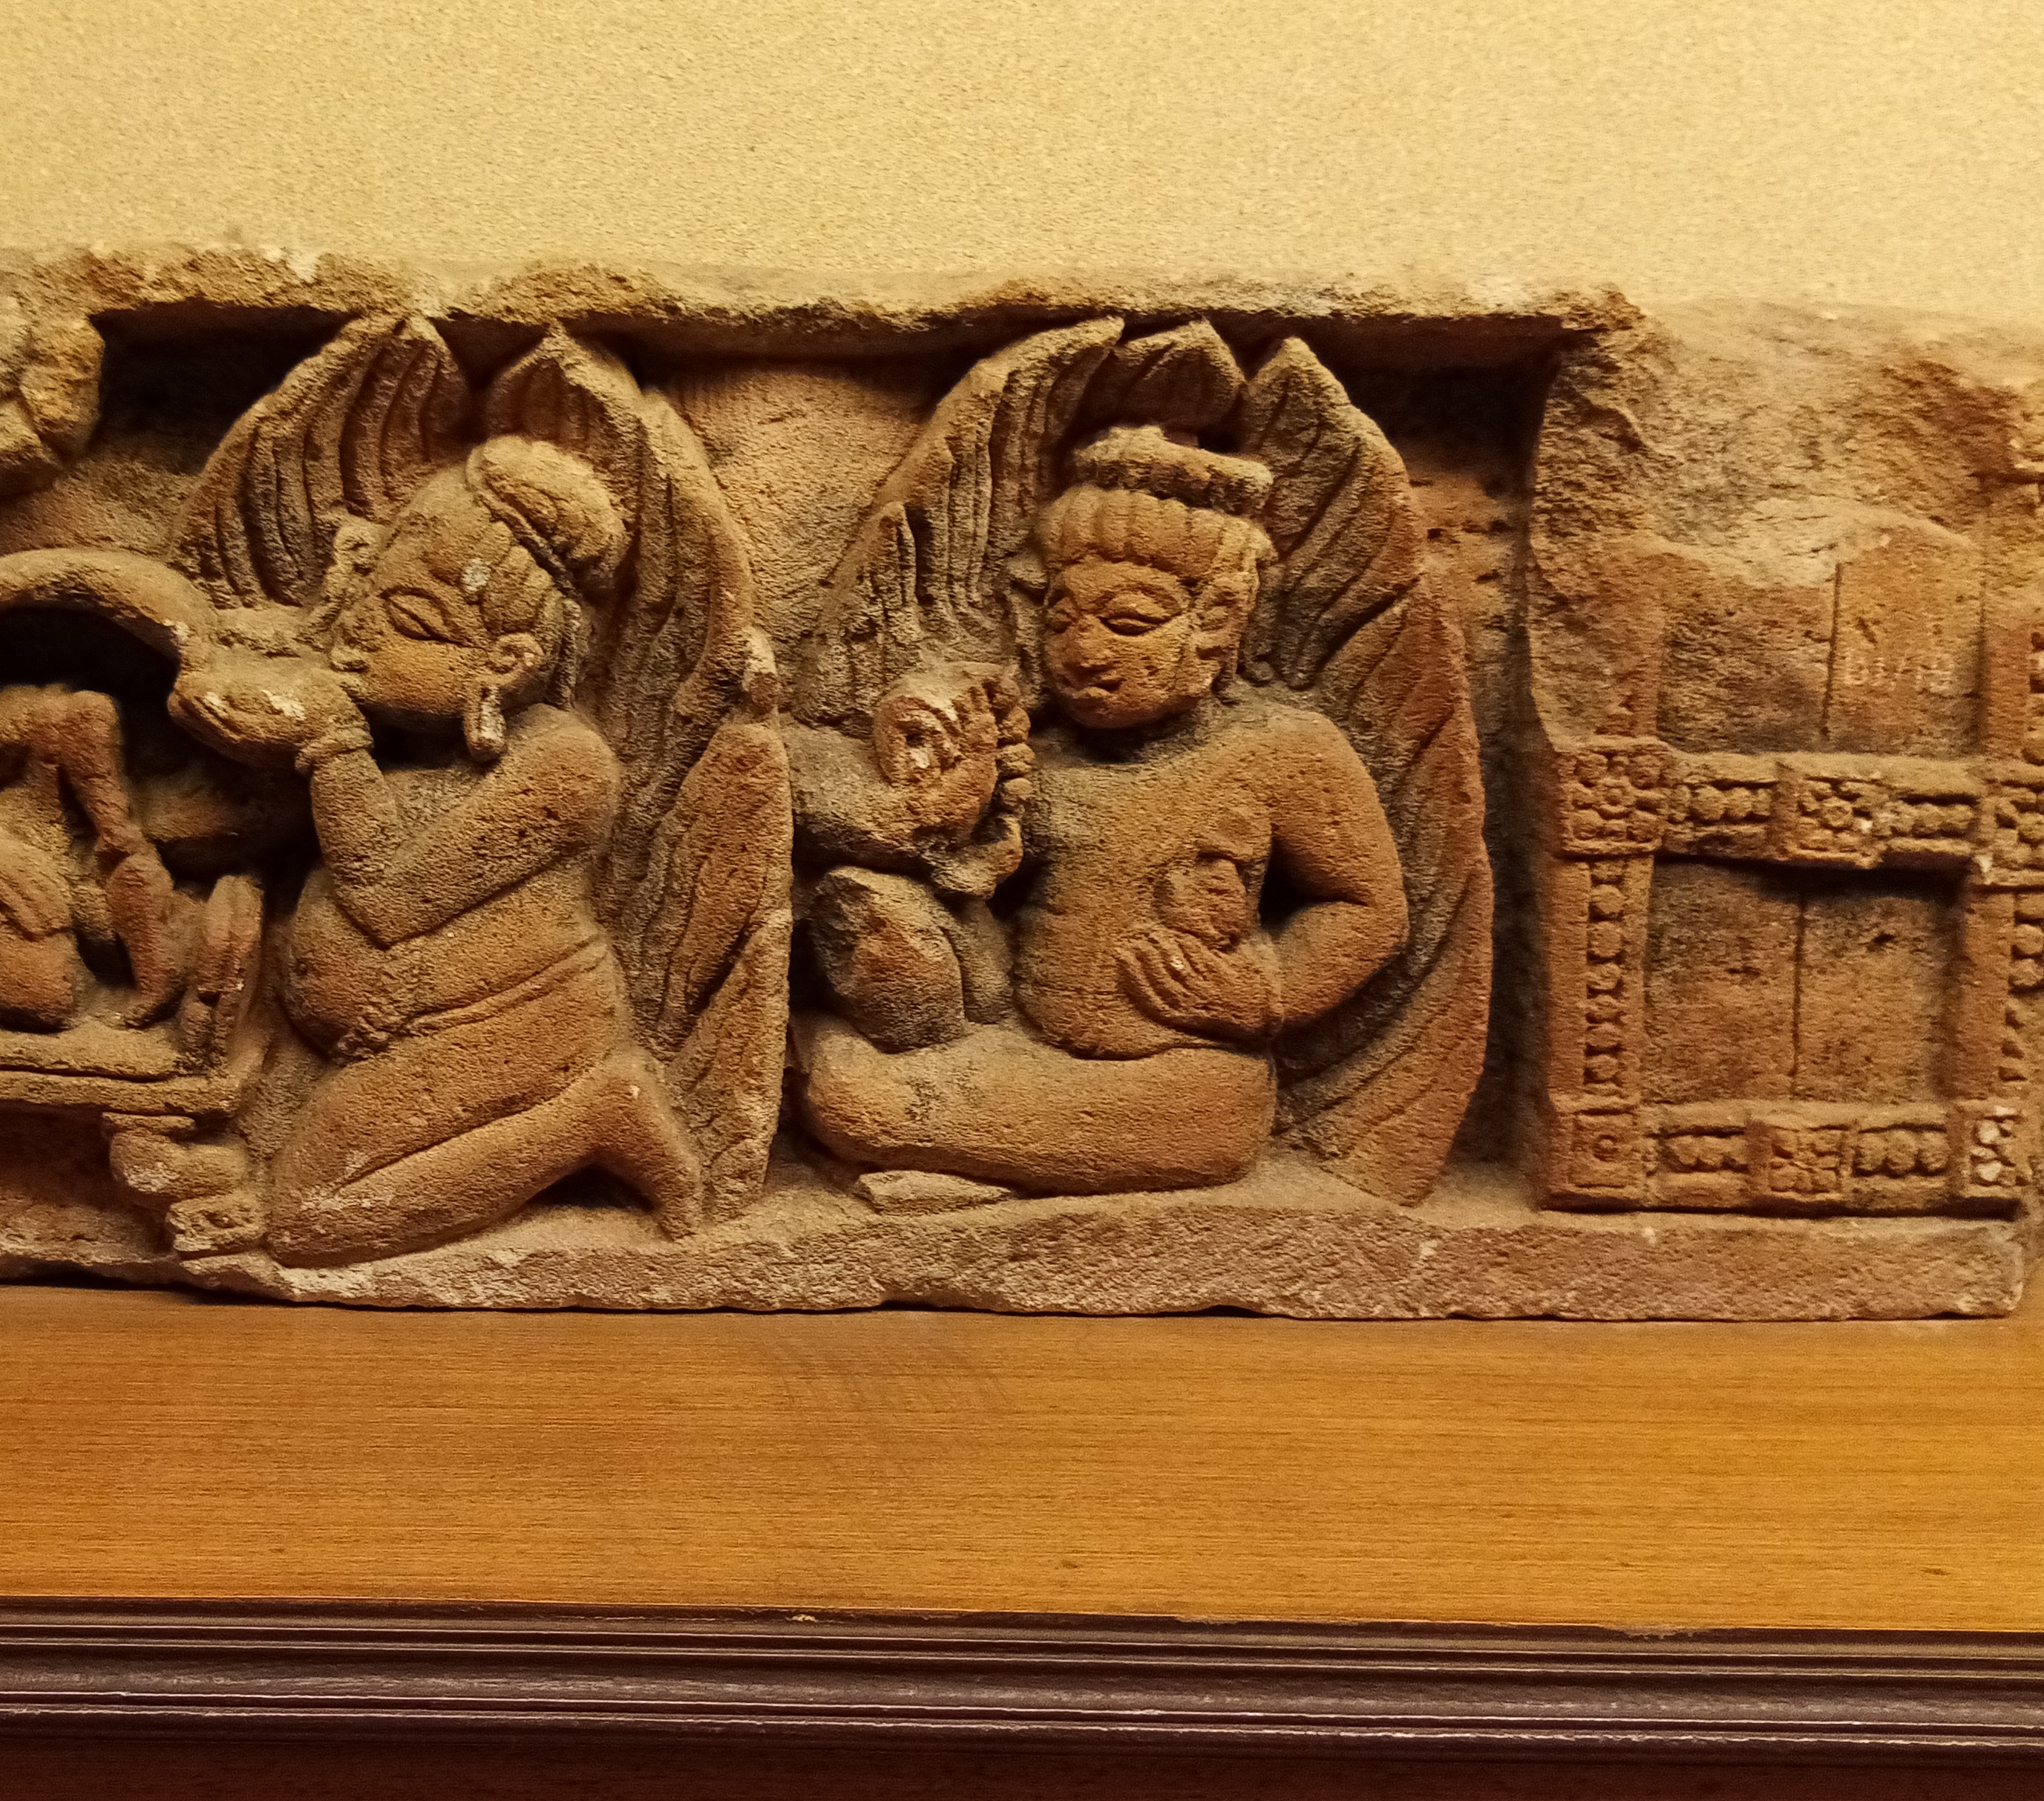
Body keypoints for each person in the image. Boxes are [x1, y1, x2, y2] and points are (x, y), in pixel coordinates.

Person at [797, 425, 1408, 1193]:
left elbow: (1365, 905)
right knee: (875, 917)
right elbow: (979, 890)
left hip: (1183, 1080)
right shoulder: (1046, 753)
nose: (1084, 653)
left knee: (854, 1105)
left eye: (1128, 623)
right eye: (1061, 621)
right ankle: (930, 1120)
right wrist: (956, 806)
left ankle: (897, 1117)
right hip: (1015, 1042)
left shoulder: (1285, 751)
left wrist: (1264, 993)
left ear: (1215, 623)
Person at [171, 436, 705, 1264]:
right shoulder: (399, 741)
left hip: (508, 1029)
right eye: (364, 594)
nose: (358, 636)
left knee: (309, 1222)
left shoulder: (565, 764)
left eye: (411, 622)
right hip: (390, 1042)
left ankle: (595, 1119)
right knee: (289, 1190)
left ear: (505, 663)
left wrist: (331, 744)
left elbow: (391, 900)